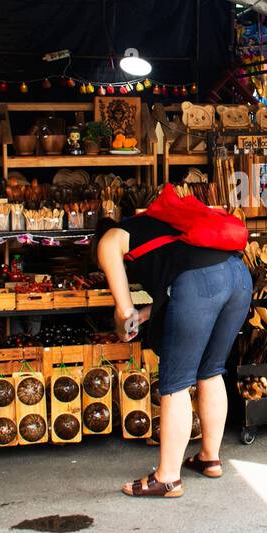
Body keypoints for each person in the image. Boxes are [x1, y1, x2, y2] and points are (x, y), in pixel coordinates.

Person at [93, 212, 253, 497]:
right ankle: (210, 458)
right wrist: (144, 316)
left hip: (200, 283)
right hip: (237, 276)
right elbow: (175, 289)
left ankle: (167, 478)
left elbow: (125, 313)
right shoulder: (159, 227)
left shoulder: (108, 240)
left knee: (175, 381)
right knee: (211, 369)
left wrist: (123, 326)